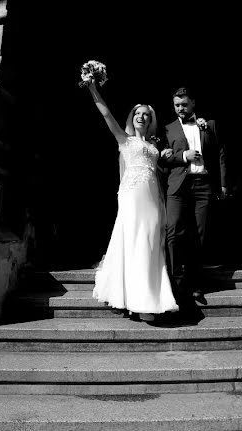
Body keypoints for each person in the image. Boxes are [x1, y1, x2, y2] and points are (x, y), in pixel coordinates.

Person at [86, 80, 179, 322]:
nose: (142, 117)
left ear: (151, 121)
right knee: (133, 241)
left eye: (146, 115)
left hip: (152, 198)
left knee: (150, 242)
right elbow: (105, 112)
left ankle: (148, 296)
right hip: (131, 196)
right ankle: (138, 301)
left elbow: (158, 171)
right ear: (132, 117)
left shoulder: (154, 145)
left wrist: (166, 157)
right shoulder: (124, 140)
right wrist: (92, 88)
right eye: (138, 113)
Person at [160, 87, 227, 305]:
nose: (180, 108)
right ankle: (177, 284)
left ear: (193, 104)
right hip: (178, 187)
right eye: (177, 105)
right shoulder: (167, 129)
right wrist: (182, 156)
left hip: (203, 185)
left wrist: (223, 185)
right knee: (173, 232)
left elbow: (220, 155)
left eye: (184, 105)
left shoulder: (209, 125)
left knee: (200, 235)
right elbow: (161, 159)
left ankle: (196, 284)